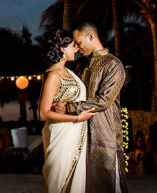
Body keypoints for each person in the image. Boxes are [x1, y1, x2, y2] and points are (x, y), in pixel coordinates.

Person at [52, 22, 128, 193]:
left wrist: (69, 108)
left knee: (110, 186)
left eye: (78, 42)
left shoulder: (113, 65)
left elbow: (103, 101)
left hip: (106, 138)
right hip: (82, 137)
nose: (77, 47)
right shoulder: (83, 66)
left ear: (91, 36)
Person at [40, 30, 96, 192]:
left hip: (76, 134)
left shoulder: (70, 73)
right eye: (72, 46)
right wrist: (77, 118)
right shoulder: (53, 76)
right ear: (62, 49)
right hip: (60, 135)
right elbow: (43, 113)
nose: (76, 49)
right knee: (58, 181)